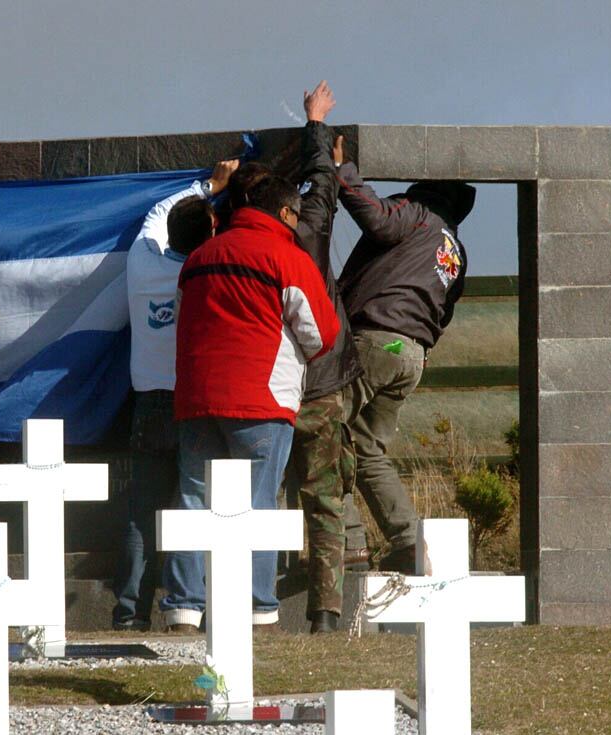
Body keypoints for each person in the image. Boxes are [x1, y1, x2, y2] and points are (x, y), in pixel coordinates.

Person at [160, 174, 340, 633]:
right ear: (283, 213)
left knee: (193, 500)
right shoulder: (289, 259)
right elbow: (322, 335)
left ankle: (184, 608)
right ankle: (258, 610)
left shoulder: (198, 257)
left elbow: (181, 319)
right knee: (259, 505)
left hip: (198, 397)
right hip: (262, 400)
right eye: (296, 216)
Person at [112, 159, 238, 631]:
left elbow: (156, 213)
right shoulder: (209, 276)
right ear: (209, 234)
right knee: (194, 504)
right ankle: (189, 607)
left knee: (141, 514)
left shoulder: (141, 263)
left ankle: (129, 613)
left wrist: (210, 184)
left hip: (148, 403)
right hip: (193, 405)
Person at [335, 158, 477, 573]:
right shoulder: (455, 251)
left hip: (375, 339)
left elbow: (376, 219)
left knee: (320, 435)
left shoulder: (416, 214)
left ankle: (349, 545)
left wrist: (343, 170)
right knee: (366, 449)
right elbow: (444, 311)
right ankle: (408, 543)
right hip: (411, 355)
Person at [273, 82, 364, 634]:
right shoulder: (310, 233)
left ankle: (259, 608)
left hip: (270, 392)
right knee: (326, 498)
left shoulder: (250, 250)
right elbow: (326, 182)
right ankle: (326, 613)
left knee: (261, 496)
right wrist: (317, 124)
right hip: (325, 384)